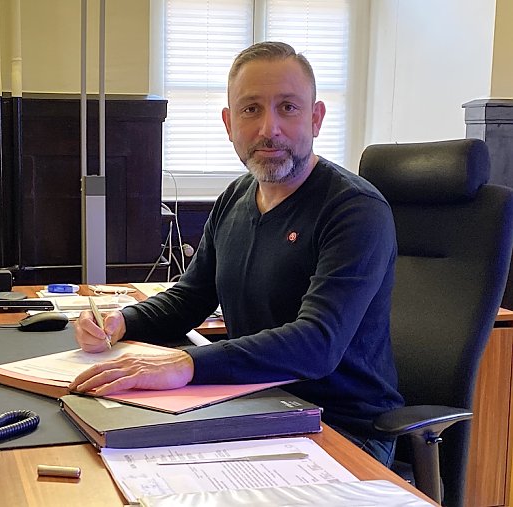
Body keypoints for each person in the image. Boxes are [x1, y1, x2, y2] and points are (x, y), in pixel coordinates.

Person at [70, 41, 404, 466]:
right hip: (253, 403)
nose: (269, 129)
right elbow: (190, 297)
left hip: (342, 429)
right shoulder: (236, 197)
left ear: (316, 118)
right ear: (229, 123)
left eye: (288, 107)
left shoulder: (355, 210)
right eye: (251, 110)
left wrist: (186, 364)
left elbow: (316, 344)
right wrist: (119, 321)